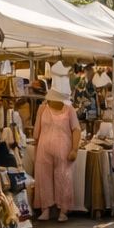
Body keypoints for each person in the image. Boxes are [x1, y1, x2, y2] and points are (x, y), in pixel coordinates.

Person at [32, 82, 80, 221]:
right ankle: (45, 209)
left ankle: (63, 211)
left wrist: (74, 149)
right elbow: (37, 131)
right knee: (44, 178)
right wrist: (36, 146)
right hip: (43, 149)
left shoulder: (69, 109)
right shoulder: (42, 109)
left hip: (63, 150)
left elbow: (76, 129)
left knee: (63, 178)